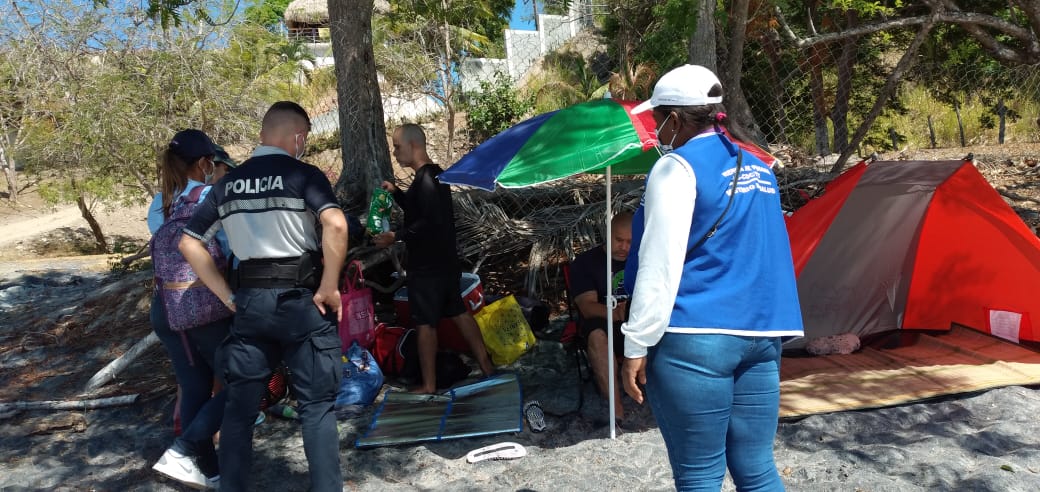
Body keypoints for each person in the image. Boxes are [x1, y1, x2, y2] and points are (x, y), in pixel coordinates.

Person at [619, 64, 804, 491]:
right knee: (758, 470)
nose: (655, 130)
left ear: (675, 118)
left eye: (656, 119)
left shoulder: (676, 168)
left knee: (700, 475)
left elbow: (659, 264)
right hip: (762, 335)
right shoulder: (759, 167)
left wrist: (636, 344)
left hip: (695, 338)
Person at [179, 101, 347, 492]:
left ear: (262, 135)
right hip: (302, 302)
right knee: (316, 408)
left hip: (251, 305)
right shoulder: (303, 175)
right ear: (299, 137)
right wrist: (329, 285)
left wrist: (226, 296)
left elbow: (189, 243)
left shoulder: (227, 184)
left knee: (239, 410)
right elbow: (336, 223)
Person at [373, 123, 494, 394]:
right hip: (444, 262)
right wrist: (397, 193)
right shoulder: (433, 176)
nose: (395, 153)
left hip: (428, 267)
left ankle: (429, 385)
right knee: (458, 311)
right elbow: (420, 211)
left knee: (425, 324)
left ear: (414, 145)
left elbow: (429, 222)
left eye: (397, 147)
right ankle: (486, 366)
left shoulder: (427, 179)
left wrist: (396, 236)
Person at [147, 129, 229, 489]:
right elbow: (229, 249)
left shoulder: (160, 202)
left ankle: (208, 471)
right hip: (204, 306)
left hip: (166, 306)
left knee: (194, 386)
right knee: (243, 381)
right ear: (204, 163)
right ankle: (184, 450)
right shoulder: (211, 196)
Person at [567, 211, 632, 422]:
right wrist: (617, 313)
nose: (624, 247)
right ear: (608, 234)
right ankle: (616, 409)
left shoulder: (643, 259)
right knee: (596, 335)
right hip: (604, 323)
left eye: (630, 242)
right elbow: (587, 306)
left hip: (638, 322)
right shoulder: (586, 262)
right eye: (619, 240)